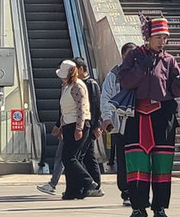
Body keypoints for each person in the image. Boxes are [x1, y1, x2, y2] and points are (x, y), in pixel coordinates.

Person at [118, 17, 180, 217]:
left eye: (165, 38)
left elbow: (176, 91)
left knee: (162, 164)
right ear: (147, 37)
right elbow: (125, 81)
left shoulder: (169, 60)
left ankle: (160, 208)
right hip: (137, 115)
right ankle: (138, 208)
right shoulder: (134, 56)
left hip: (162, 116)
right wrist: (141, 68)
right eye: (158, 37)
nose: (161, 42)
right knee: (137, 163)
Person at [102, 42, 138, 205]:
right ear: (123, 56)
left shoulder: (142, 71)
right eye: (129, 54)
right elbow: (106, 97)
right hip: (121, 123)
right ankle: (126, 191)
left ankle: (139, 189)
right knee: (123, 159)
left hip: (139, 120)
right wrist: (107, 117)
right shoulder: (114, 75)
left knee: (139, 158)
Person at [55, 58, 94, 200]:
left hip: (76, 125)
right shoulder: (67, 86)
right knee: (71, 158)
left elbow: (81, 108)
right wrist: (60, 126)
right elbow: (64, 109)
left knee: (69, 157)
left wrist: (79, 128)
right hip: (68, 124)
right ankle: (73, 190)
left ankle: (87, 181)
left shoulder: (77, 86)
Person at [74, 57, 104, 196]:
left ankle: (94, 185)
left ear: (81, 69)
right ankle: (90, 185)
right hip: (85, 124)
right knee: (87, 155)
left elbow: (96, 106)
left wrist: (97, 125)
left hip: (90, 125)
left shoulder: (91, 84)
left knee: (87, 156)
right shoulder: (79, 84)